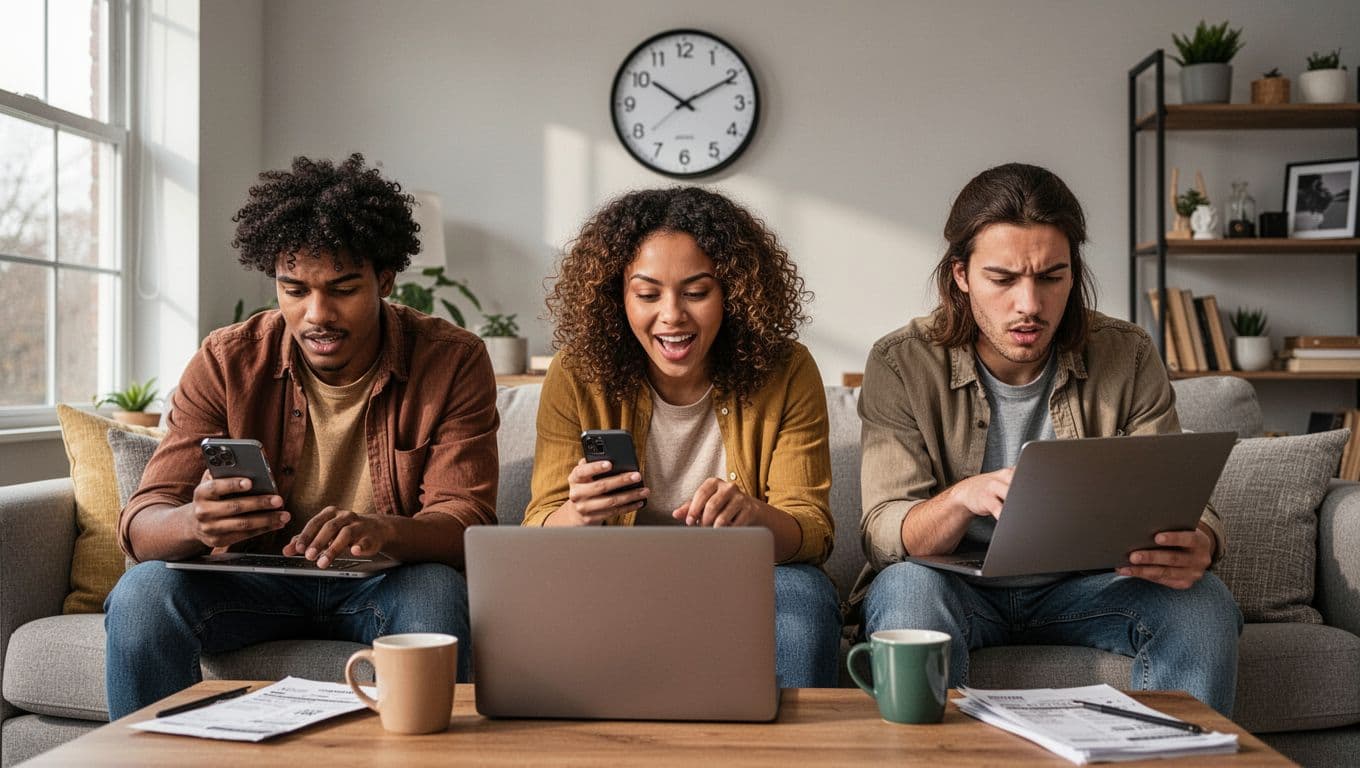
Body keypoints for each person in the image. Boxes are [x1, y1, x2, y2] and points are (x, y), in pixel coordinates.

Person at [104, 154, 499, 718]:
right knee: (143, 595)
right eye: (294, 290)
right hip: (253, 582)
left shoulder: (452, 360)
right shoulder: (226, 360)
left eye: (343, 289)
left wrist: (382, 529)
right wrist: (195, 521)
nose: (318, 314)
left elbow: (467, 523)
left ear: (384, 280)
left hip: (386, 581)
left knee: (437, 591)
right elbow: (142, 523)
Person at [855, 163, 1242, 715]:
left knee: (1203, 605)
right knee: (905, 590)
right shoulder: (901, 362)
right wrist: (964, 496)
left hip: (1090, 586)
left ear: (1073, 272)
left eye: (1050, 277)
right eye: (1004, 279)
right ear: (961, 276)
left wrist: (1201, 540)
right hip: (954, 586)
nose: (1030, 305)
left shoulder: (1127, 353)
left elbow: (1184, 498)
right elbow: (885, 530)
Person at [524, 187, 841, 687]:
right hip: (618, 577)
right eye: (648, 294)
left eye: (697, 292)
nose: (672, 315)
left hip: (742, 580)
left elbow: (814, 533)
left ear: (734, 293)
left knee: (806, 594)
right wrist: (579, 513)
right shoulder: (576, 373)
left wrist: (754, 516)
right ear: (617, 297)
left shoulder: (787, 371)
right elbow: (538, 530)